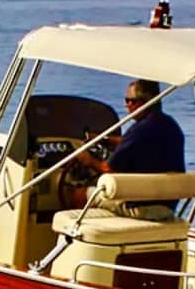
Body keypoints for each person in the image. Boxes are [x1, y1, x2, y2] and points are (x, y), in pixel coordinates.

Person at [73, 79, 185, 215]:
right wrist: (105, 139)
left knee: (80, 194)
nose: (127, 106)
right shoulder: (170, 125)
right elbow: (137, 143)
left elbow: (108, 169)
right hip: (166, 208)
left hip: (141, 209)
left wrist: (88, 160)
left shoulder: (140, 129)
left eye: (130, 101)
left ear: (144, 102)